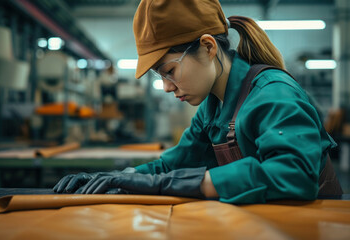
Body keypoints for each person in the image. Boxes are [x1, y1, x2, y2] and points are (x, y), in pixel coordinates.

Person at [53, 0, 342, 203]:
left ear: (207, 47)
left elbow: (293, 174)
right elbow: (171, 166)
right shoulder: (213, 107)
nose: (166, 87)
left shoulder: (273, 94)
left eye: (170, 71)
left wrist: (186, 183)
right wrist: (117, 178)